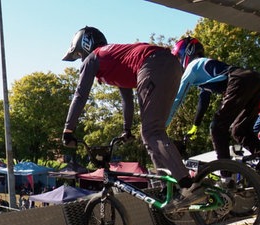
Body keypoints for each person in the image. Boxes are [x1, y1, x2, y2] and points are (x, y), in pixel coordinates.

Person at [61, 26, 203, 211]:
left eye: (80, 54)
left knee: (152, 132)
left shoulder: (93, 58)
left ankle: (187, 185)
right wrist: (127, 129)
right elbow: (127, 98)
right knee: (151, 134)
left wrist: (68, 129)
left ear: (85, 46)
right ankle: (166, 188)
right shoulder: (114, 57)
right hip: (171, 66)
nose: (81, 58)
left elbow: (80, 94)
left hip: (153, 65)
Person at [168, 37, 260, 162]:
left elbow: (178, 98)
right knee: (240, 131)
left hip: (239, 80)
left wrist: (162, 125)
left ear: (186, 53)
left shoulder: (193, 66)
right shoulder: (203, 69)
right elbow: (203, 101)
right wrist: (195, 126)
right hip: (255, 81)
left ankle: (226, 173)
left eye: (178, 57)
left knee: (217, 127)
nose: (178, 61)